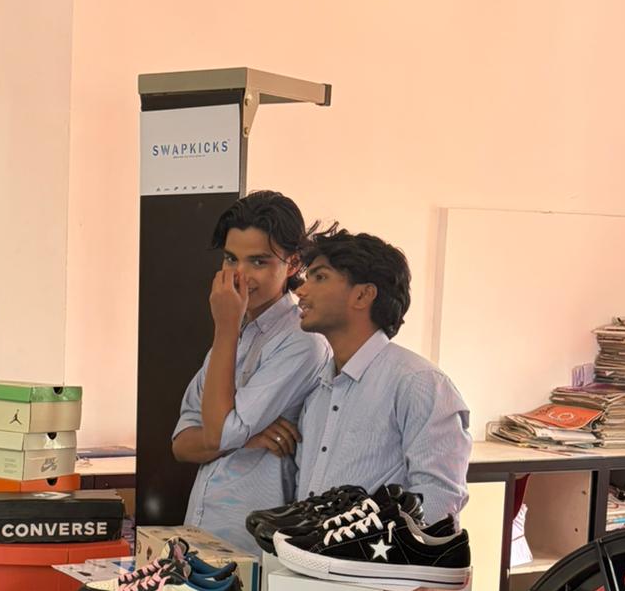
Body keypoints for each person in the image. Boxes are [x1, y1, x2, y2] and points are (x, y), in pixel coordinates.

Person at [172, 191, 330, 553]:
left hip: (252, 543)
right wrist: (246, 437)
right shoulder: (236, 336)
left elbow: (217, 433)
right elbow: (181, 442)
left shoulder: (302, 341)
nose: (240, 275)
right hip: (200, 531)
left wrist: (225, 326)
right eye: (231, 259)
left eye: (258, 261)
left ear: (292, 263)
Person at [294, 225, 471, 524]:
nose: (301, 291)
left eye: (320, 277)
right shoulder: (318, 390)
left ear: (363, 295)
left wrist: (373, 541)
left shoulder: (418, 383)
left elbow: (440, 499)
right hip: (314, 553)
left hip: (383, 555)